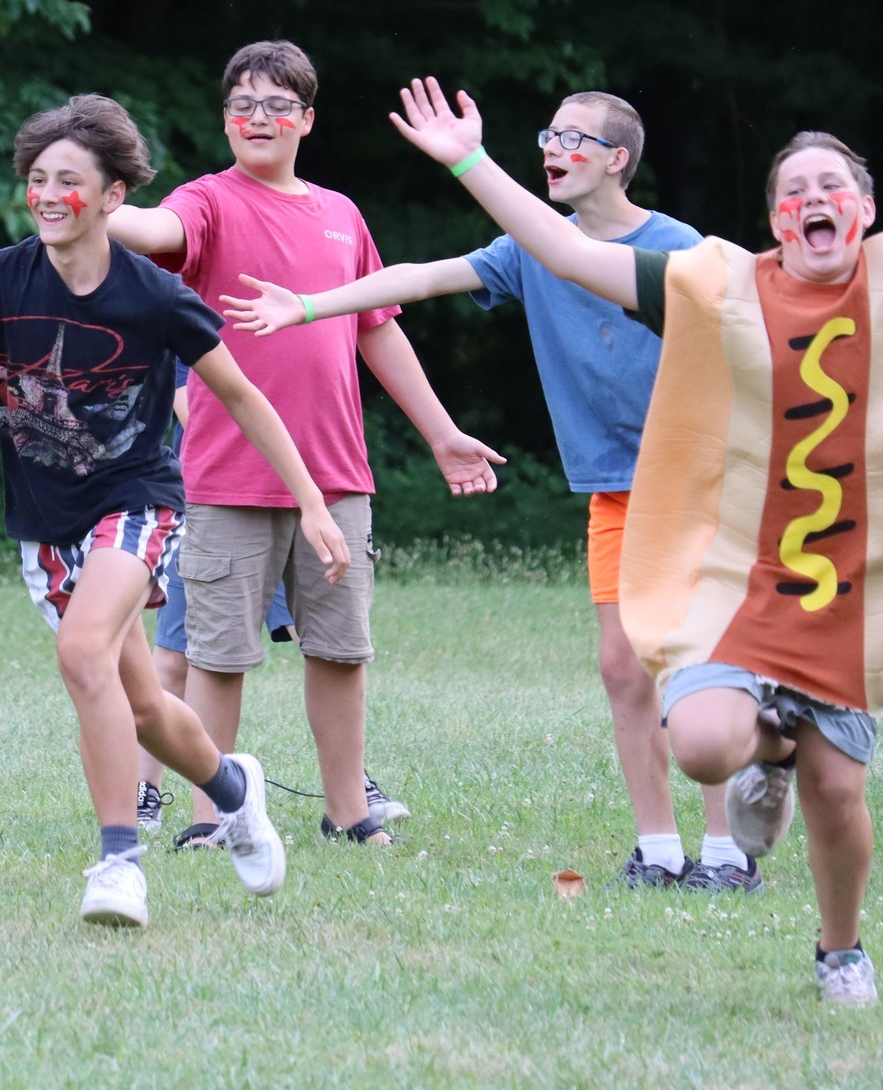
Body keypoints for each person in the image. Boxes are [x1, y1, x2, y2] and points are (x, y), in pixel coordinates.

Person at [384, 10, 883, 1007]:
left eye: (832, 188)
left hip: (847, 588)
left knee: (837, 798)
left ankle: (839, 946)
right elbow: (562, 253)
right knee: (700, 744)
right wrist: (469, 163)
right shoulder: (717, 286)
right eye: (792, 190)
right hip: (733, 571)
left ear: (863, 208)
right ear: (770, 216)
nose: (812, 200)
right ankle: (771, 740)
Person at [223, 91, 755, 889]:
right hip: (616, 493)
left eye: (576, 137)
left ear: (618, 158)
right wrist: (307, 305)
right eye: (549, 134)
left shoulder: (681, 251)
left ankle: (726, 852)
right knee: (622, 668)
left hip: (701, 485)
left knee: (696, 668)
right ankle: (658, 847)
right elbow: (417, 277)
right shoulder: (529, 249)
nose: (554, 147)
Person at [0, 93, 343, 927]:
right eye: (36, 178)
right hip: (48, 520)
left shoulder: (153, 296)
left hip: (137, 502)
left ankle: (118, 861)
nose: (48, 193)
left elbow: (241, 398)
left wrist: (311, 500)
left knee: (82, 648)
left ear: (112, 197)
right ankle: (235, 792)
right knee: (140, 704)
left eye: (69, 179)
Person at [108, 40, 504, 846]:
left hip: (337, 477)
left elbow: (379, 332)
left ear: (307, 120)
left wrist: (442, 432)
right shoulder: (207, 201)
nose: (260, 118)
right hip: (226, 477)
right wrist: (95, 202)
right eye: (244, 105)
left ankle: (347, 811)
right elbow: (154, 229)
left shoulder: (340, 214)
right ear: (225, 120)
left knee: (340, 650)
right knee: (218, 658)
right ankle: (214, 816)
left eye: (278, 105)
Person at [137, 364, 405, 844]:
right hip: (226, 489)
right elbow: (187, 395)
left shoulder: (327, 297)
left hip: (323, 488)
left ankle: (348, 795)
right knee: (188, 654)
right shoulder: (195, 291)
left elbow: (373, 333)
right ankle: (156, 791)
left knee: (334, 645)